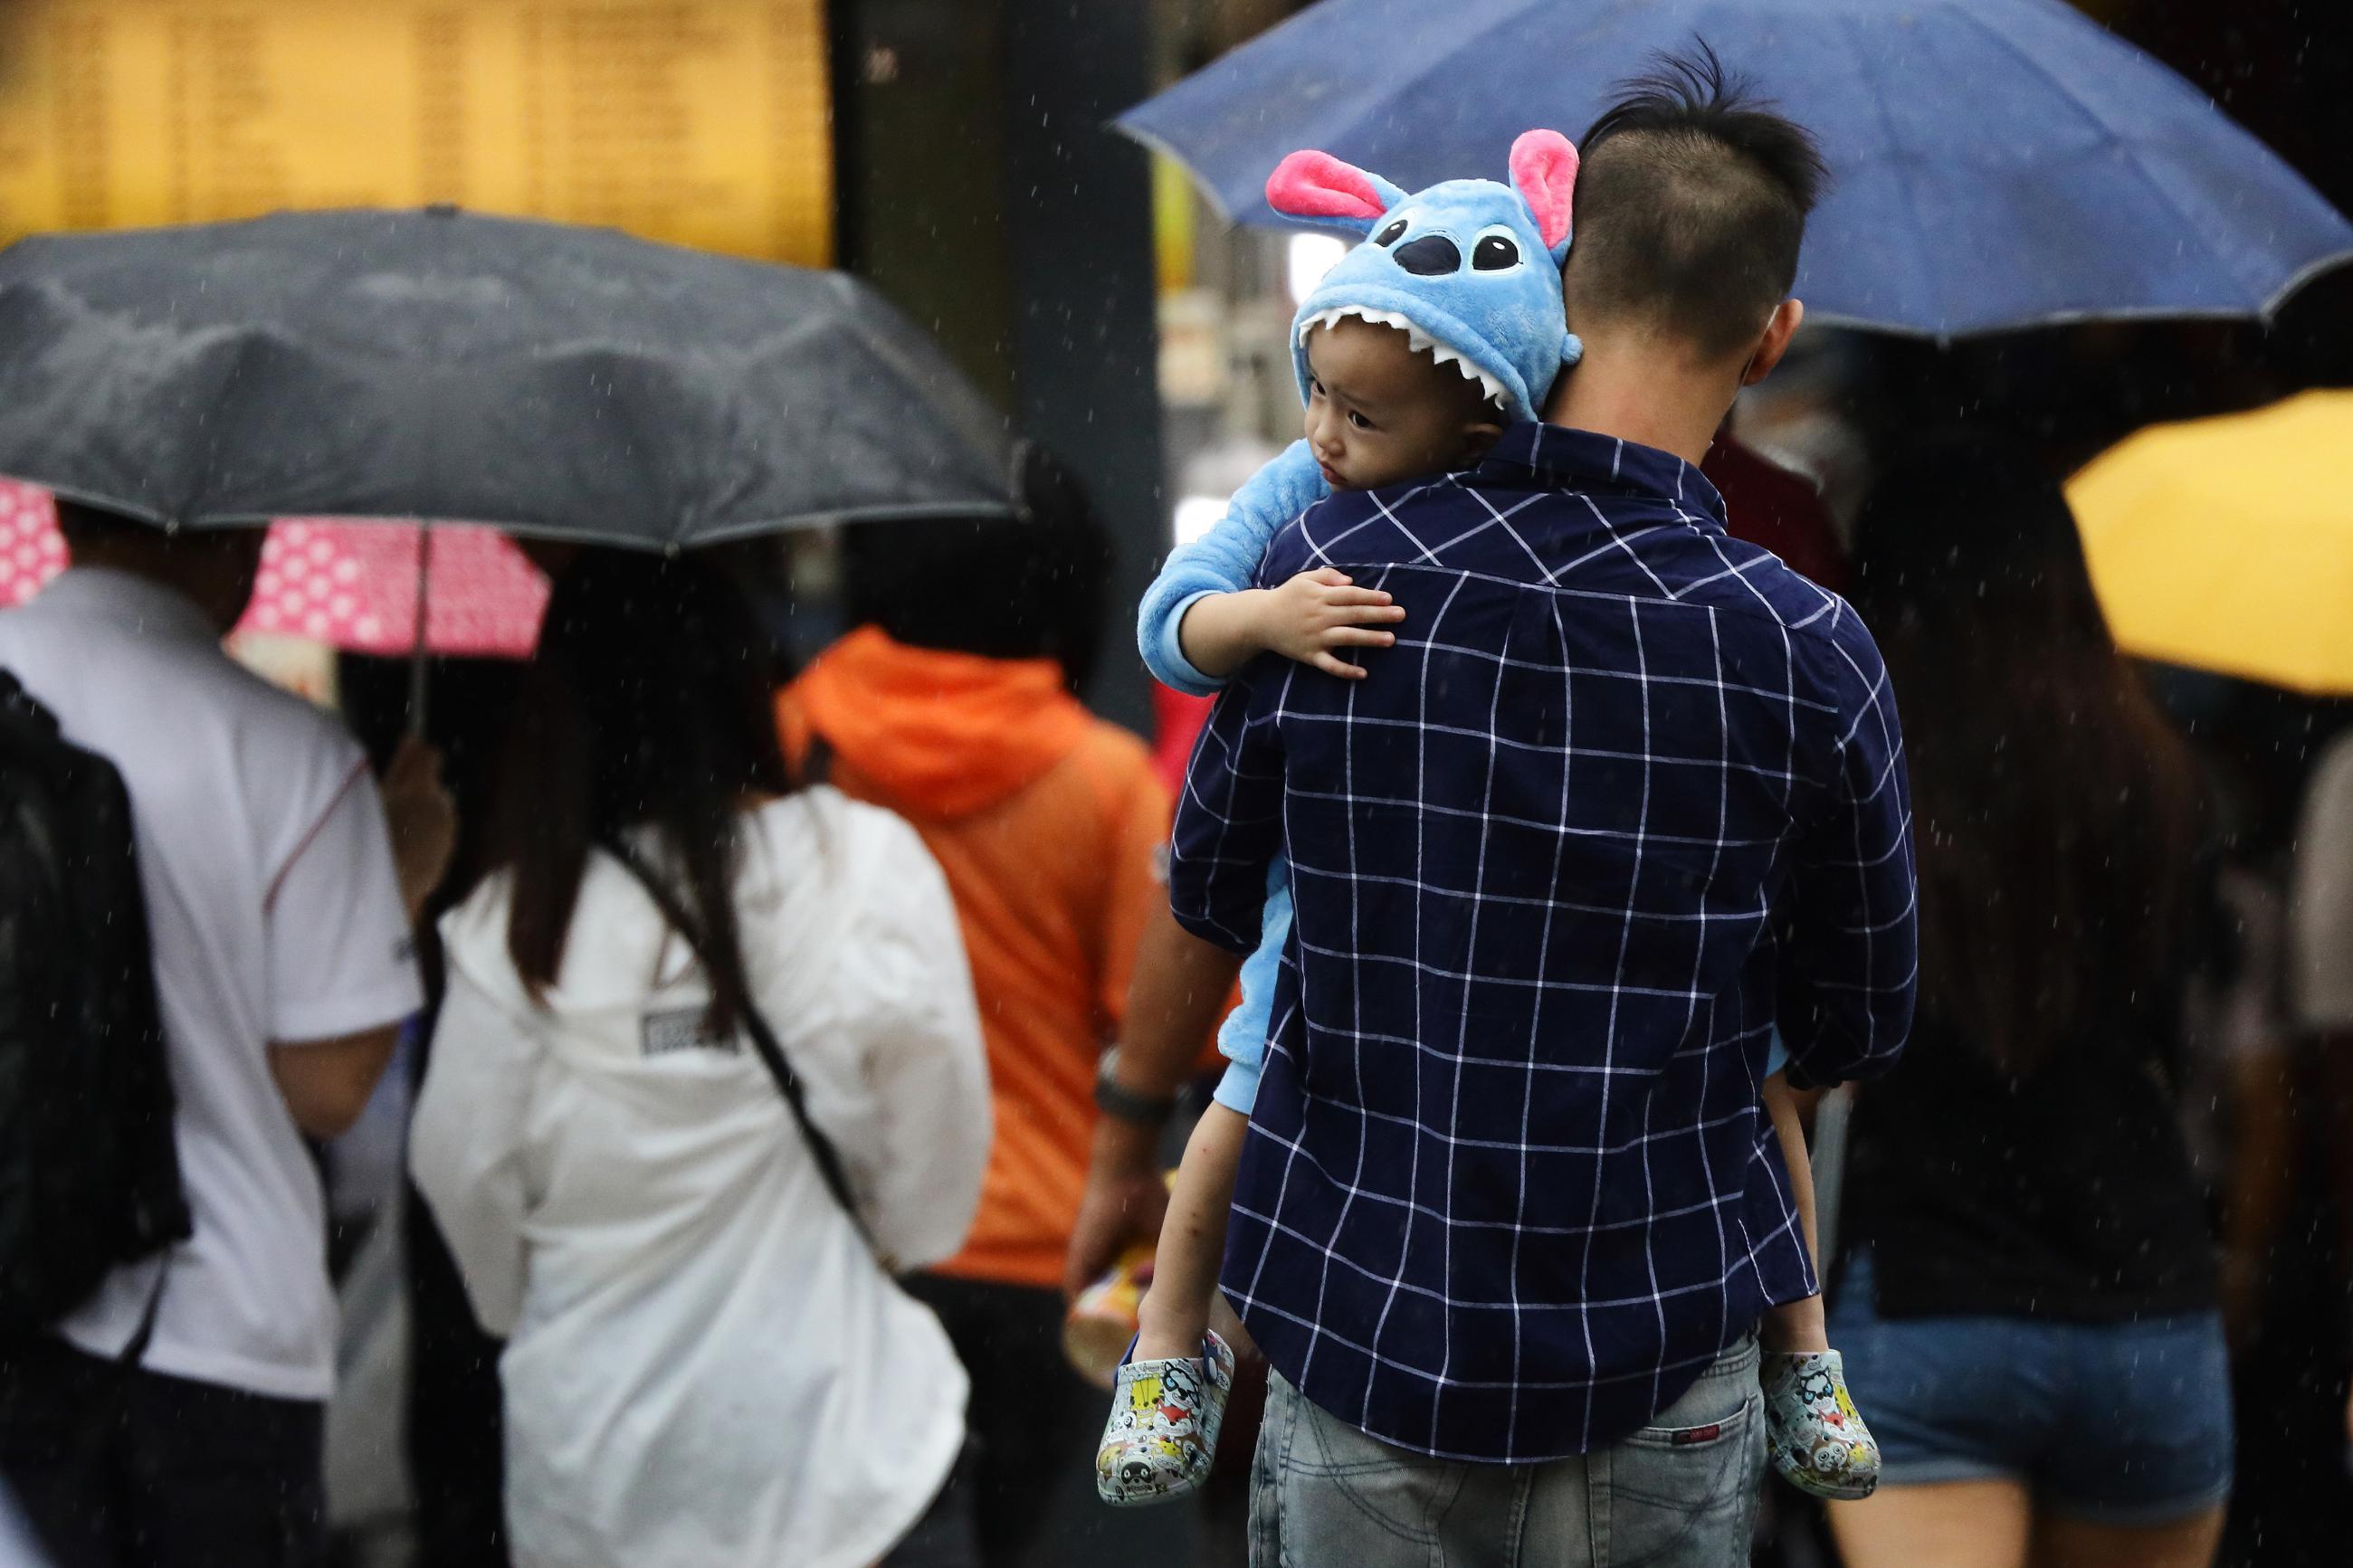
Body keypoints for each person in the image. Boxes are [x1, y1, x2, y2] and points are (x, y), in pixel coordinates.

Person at [1162, 51, 1917, 1563]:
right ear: (1770, 337)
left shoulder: (1330, 578)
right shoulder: (1805, 648)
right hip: (1663, 1365)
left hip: (1365, 1326)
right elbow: (1857, 1018)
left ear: (1557, 281)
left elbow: (1207, 889)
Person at [407, 554, 990, 1568]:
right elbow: (936, 1166)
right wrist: (883, 1229)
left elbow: (464, 1188)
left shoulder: (508, 929)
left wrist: (557, 1294)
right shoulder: (862, 864)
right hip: (852, 1460)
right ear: (744, 681)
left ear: (555, 713)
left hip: (603, 1485)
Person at [0, 501, 445, 1566]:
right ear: (243, 538)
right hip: (215, 1331)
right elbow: (329, 1084)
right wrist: (397, 885)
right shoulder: (292, 751)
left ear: (62, 510)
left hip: (14, 1291)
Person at [1824, 434, 2234, 1568]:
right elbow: (2189, 1028)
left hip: (1922, 1305)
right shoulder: (2158, 778)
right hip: (2144, 1303)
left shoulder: (1867, 782)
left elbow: (1828, 1041)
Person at [773, 449, 1187, 1563]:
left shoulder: (796, 738)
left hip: (850, 1237)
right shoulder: (1102, 781)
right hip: (1042, 1257)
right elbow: (1164, 1027)